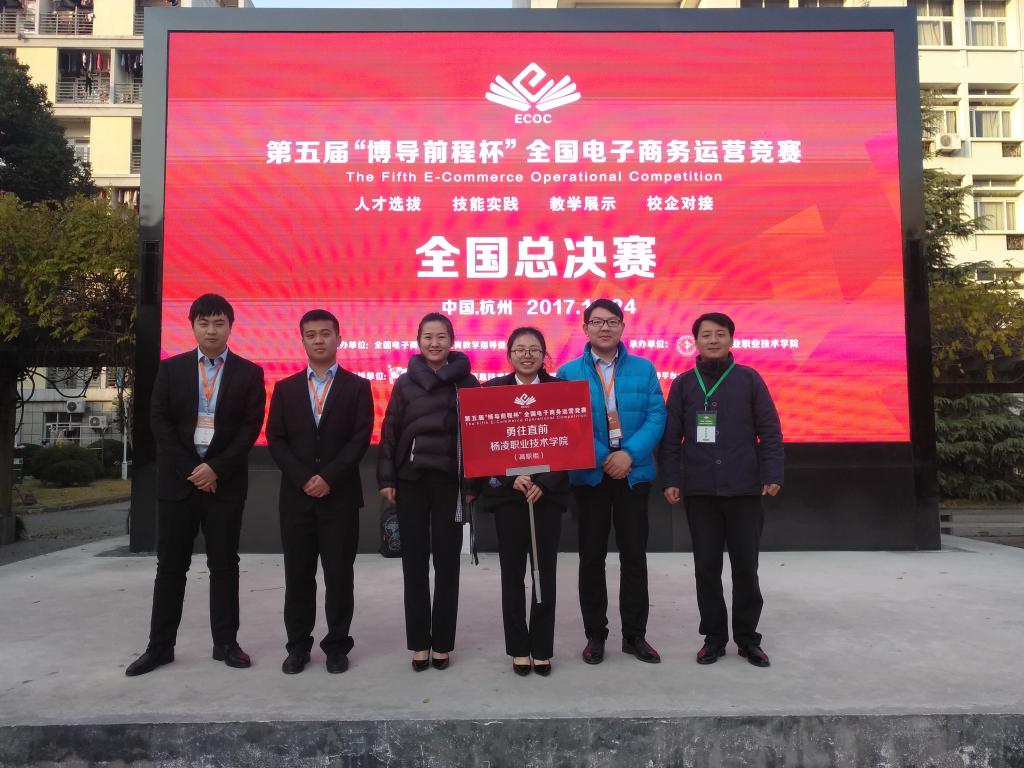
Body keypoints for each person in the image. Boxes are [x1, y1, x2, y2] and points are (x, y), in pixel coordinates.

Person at [126, 294, 266, 677]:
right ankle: (160, 647)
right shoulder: (171, 370)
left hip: (224, 485)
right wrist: (193, 469)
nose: (211, 330)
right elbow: (159, 422)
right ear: (192, 326)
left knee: (225, 566)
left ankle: (226, 644)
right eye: (204, 323)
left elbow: (250, 428)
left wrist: (215, 468)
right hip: (178, 484)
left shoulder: (249, 373)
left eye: (219, 323)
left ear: (230, 327)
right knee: (171, 567)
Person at [658, 312, 783, 668]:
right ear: (695, 342)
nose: (713, 340)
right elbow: (671, 438)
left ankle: (747, 638)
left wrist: (772, 472)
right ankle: (713, 638)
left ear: (731, 339)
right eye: (706, 335)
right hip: (701, 492)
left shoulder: (749, 379)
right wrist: (670, 479)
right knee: (707, 568)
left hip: (744, 489)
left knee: (746, 567)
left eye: (720, 334)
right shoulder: (683, 384)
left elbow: (769, 431)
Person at [556, 299, 666, 666]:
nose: (605, 328)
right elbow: (568, 422)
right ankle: (595, 635)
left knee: (634, 556)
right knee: (591, 558)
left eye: (612, 321)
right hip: (591, 476)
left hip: (633, 475)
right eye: (597, 322)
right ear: (585, 328)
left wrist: (628, 454)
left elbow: (656, 416)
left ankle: (635, 636)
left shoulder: (644, 368)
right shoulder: (568, 373)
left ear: (622, 326)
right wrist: (605, 456)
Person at [266, 309, 373, 675]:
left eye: (325, 333)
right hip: (296, 500)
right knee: (298, 576)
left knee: (339, 576)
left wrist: (328, 477)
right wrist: (303, 478)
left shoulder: (358, 387)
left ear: (338, 339)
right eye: (311, 335)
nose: (318, 340)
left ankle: (337, 646)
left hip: (340, 497)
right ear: (302, 341)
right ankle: (297, 646)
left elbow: (359, 439)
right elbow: (276, 439)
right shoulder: (285, 388)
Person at [377, 313, 479, 671]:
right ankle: (420, 643)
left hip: (450, 484)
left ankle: (443, 644)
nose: (434, 343)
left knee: (448, 565)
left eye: (441, 337)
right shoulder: (405, 382)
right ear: (419, 341)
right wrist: (386, 479)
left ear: (452, 341)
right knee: (414, 565)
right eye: (428, 337)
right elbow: (390, 431)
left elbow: (476, 437)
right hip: (411, 482)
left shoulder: (468, 382)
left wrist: (471, 485)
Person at [480, 327, 570, 677]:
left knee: (544, 572)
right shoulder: (492, 391)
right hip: (510, 496)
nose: (527, 355)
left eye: (534, 349)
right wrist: (508, 478)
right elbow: (483, 445)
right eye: (520, 349)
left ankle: (542, 648)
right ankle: (519, 647)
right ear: (509, 355)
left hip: (545, 496)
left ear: (544, 355)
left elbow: (571, 443)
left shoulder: (559, 391)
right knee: (513, 574)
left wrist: (545, 483)